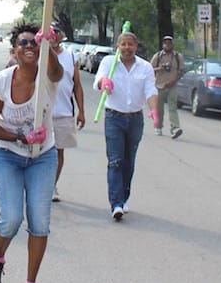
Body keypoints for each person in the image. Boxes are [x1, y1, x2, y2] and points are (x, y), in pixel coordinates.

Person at [0, 23, 63, 283]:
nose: (29, 46)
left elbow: (56, 73)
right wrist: (19, 136)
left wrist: (49, 45)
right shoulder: (1, 81)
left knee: (39, 222)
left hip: (43, 156)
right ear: (14, 50)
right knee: (11, 218)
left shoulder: (47, 77)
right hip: (7, 155)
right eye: (23, 43)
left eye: (34, 43)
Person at [94, 31, 158, 221]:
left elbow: (151, 91)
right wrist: (103, 82)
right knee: (115, 160)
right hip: (114, 117)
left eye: (130, 44)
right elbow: (98, 81)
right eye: (123, 44)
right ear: (118, 47)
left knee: (129, 161)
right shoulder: (109, 62)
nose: (127, 48)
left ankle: (123, 197)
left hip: (135, 119)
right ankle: (116, 204)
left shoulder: (145, 67)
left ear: (136, 47)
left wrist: (154, 111)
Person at [49, 23, 84, 202]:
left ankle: (52, 186)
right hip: (41, 113)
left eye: (55, 32)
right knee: (38, 151)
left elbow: (77, 85)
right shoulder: (40, 54)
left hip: (64, 112)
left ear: (61, 35)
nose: (53, 35)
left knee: (58, 151)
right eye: (49, 32)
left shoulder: (71, 56)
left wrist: (81, 111)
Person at [149, 36, 187, 139]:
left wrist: (174, 80)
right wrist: (160, 68)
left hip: (172, 85)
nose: (167, 45)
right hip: (159, 85)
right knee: (159, 108)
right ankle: (158, 126)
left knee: (172, 108)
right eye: (165, 43)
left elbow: (182, 70)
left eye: (169, 43)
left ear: (172, 45)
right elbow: (149, 69)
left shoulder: (178, 57)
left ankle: (175, 128)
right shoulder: (158, 56)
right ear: (162, 45)